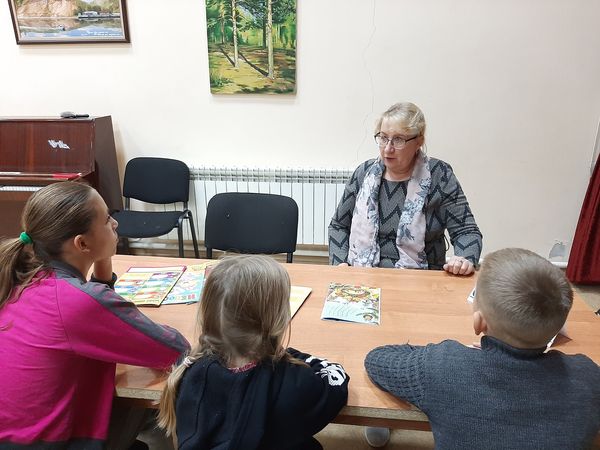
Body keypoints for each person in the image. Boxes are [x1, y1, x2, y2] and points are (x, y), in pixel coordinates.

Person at [0, 182, 190, 449]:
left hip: (15, 439)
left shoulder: (20, 280)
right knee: (150, 407)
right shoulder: (75, 302)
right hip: (52, 444)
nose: (115, 223)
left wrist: (102, 259)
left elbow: (96, 309)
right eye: (107, 219)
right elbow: (174, 349)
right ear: (82, 243)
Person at [364, 248, 600, 449]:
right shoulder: (588, 376)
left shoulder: (444, 365)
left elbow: (377, 359)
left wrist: (450, 354)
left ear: (479, 323)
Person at [158, 255, 349, 450]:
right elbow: (336, 380)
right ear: (278, 320)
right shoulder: (296, 383)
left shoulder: (190, 374)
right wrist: (289, 355)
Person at [329, 101, 482, 276]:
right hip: (364, 277)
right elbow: (338, 226)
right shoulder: (364, 173)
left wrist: (464, 259)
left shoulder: (439, 176)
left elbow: (466, 231)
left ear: (419, 141)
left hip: (422, 279)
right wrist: (340, 263)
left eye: (398, 140)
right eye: (383, 138)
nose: (388, 148)